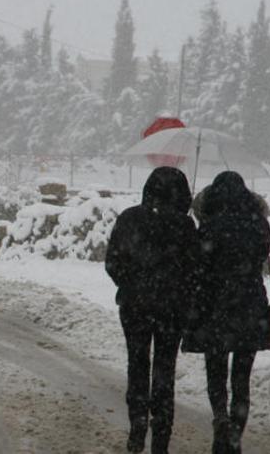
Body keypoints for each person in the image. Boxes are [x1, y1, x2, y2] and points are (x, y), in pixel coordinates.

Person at [105, 167, 200, 453]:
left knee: (137, 364)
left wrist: (131, 283)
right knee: (164, 369)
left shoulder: (129, 219)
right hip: (171, 309)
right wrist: (181, 293)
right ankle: (162, 434)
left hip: (135, 306)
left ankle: (137, 425)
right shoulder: (185, 226)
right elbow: (194, 270)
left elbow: (113, 262)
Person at [181, 171, 270, 454]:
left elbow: (198, 268)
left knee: (216, 371)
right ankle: (235, 434)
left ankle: (220, 417)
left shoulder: (209, 227)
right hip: (250, 306)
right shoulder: (259, 225)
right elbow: (261, 257)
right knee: (242, 378)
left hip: (215, 307)